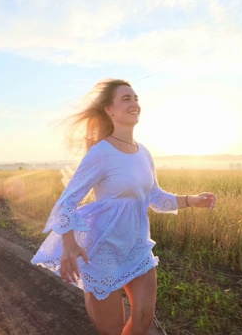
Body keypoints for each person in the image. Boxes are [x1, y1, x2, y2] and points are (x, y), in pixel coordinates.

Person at [31, 79, 217, 335]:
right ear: (109, 110)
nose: (134, 103)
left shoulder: (144, 153)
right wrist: (69, 244)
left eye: (136, 98)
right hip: (104, 252)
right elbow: (67, 203)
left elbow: (156, 198)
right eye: (126, 99)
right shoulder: (101, 152)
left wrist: (191, 200)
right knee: (112, 329)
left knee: (142, 320)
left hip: (137, 247)